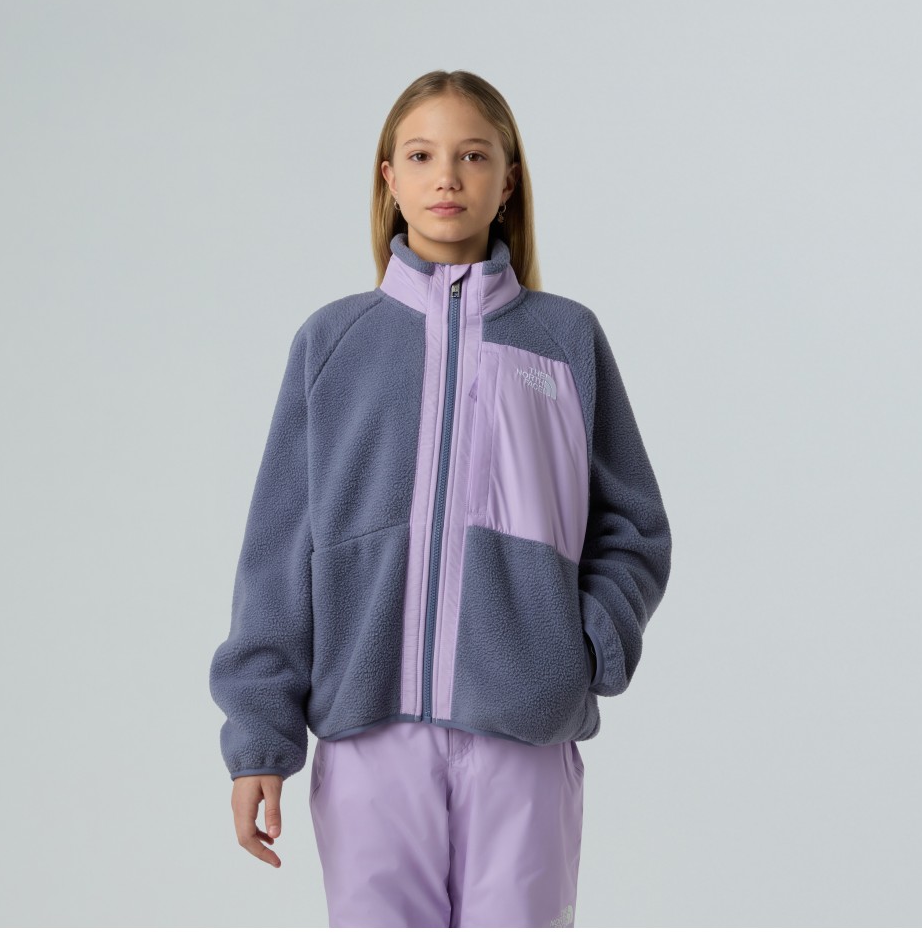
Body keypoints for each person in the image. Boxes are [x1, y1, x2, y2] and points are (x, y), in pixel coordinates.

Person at [209, 69, 673, 928]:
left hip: (522, 731)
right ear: (389, 179)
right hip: (366, 731)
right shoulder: (333, 343)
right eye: (421, 156)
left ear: (508, 182)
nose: (447, 177)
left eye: (473, 156)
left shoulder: (563, 338)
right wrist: (259, 738)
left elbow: (633, 528)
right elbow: (278, 553)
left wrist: (576, 651)